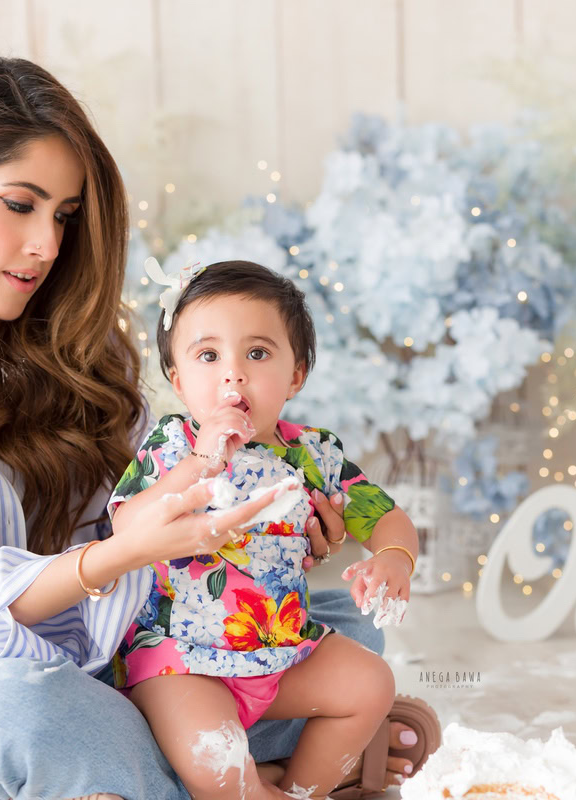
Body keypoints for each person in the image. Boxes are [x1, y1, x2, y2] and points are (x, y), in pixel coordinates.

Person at [0, 56, 434, 800]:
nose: (47, 245)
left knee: (343, 622)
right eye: (20, 205)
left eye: (63, 215)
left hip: (106, 658)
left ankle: (202, 773)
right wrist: (119, 556)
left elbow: (147, 542)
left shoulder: (71, 348)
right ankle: (264, 773)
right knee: (22, 717)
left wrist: (259, 541)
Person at [107, 260, 423, 799]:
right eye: (208, 356)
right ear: (179, 380)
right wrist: (200, 465)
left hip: (283, 650)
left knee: (372, 682)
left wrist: (394, 557)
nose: (233, 374)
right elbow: (127, 525)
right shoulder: (172, 446)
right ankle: (252, 790)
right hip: (181, 662)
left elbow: (388, 517)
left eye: (257, 353)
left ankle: (303, 790)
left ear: (295, 374)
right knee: (217, 757)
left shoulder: (315, 453)